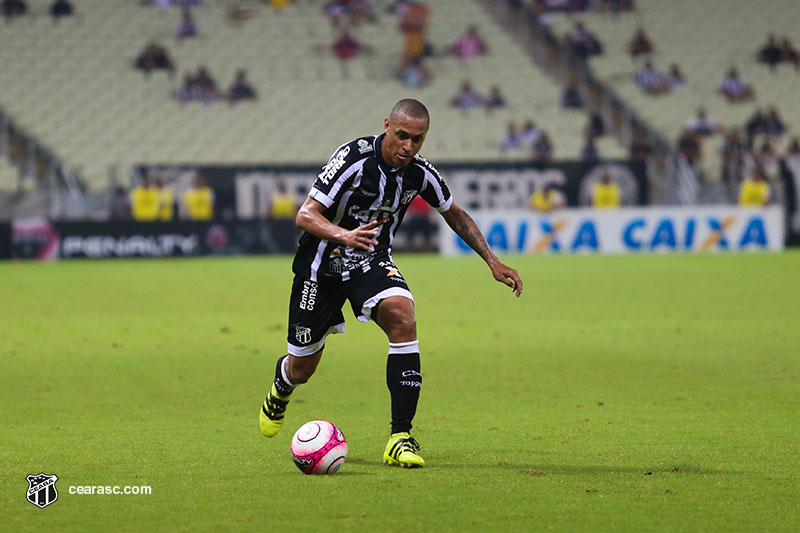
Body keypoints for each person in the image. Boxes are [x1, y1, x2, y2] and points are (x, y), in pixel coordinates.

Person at [258, 99, 523, 468]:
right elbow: (305, 214)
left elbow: (454, 213)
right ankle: (282, 384)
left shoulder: (420, 173)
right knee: (302, 367)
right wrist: (344, 235)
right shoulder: (353, 159)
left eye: (418, 139)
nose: (408, 147)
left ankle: (400, 436)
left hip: (371, 262)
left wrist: (491, 260)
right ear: (386, 125)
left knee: (403, 316)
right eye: (402, 136)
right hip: (320, 269)